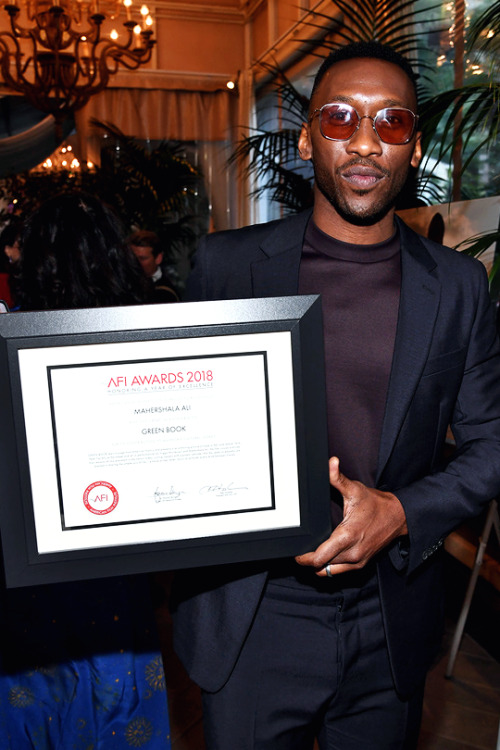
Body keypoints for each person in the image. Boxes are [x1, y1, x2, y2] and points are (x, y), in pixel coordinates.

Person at [170, 41, 500, 750]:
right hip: (254, 614)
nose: (363, 142)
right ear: (305, 138)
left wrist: (402, 512)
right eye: (340, 117)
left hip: (391, 619)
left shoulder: (457, 286)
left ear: (414, 150)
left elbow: (491, 443)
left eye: (392, 123)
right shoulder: (227, 265)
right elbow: (178, 422)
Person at [2, 193, 172, 749]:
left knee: (34, 701)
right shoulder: (141, 344)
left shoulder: (10, 347)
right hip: (113, 555)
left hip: (27, 562)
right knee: (118, 695)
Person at [128, 229, 180, 303]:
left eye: (143, 258)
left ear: (158, 258)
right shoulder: (126, 285)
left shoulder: (165, 295)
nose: (136, 263)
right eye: (133, 258)